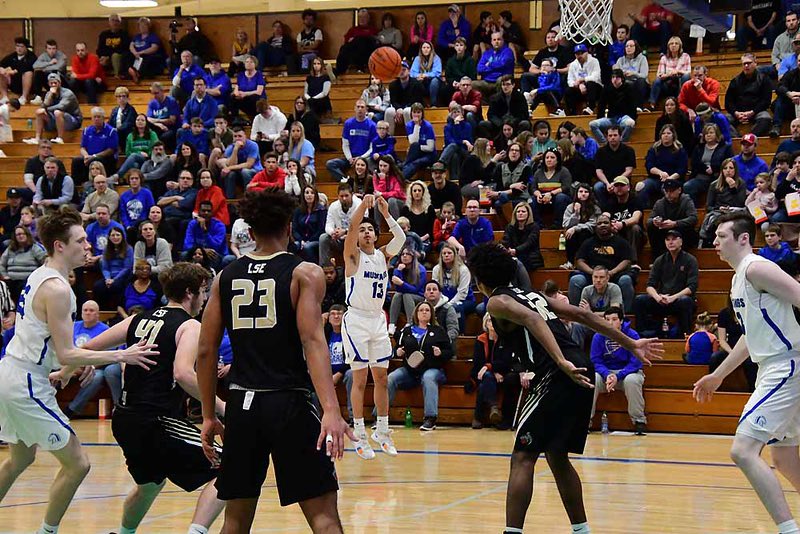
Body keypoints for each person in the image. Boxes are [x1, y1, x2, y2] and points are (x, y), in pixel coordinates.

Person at [467, 241, 660, 534]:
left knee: (522, 456)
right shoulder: (531, 294)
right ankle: (582, 530)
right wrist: (631, 343)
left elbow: (532, 320)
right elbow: (581, 315)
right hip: (581, 367)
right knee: (557, 455)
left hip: (558, 372)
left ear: (479, 278)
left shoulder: (496, 301)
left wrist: (559, 361)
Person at [196, 189, 353, 532]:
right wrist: (330, 408)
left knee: (235, 518)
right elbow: (313, 340)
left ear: (249, 232)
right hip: (289, 402)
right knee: (324, 516)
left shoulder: (225, 277)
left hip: (241, 405)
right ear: (289, 227)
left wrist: (209, 414)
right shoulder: (304, 273)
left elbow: (205, 352)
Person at [0, 207, 157, 534]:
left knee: (20, 459)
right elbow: (66, 351)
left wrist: (67, 370)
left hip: (14, 372)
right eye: (80, 239)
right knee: (78, 464)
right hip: (26, 382)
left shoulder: (39, 273)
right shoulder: (58, 289)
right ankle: (48, 531)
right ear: (59, 245)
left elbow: (56, 349)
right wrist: (121, 355)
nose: (88, 245)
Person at [83, 262, 227, 534]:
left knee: (150, 484)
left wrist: (65, 371)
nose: (205, 298)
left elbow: (89, 347)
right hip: (156, 419)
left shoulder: (138, 318)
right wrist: (220, 407)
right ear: (189, 292)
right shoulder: (189, 326)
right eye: (203, 291)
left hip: (124, 419)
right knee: (231, 467)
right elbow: (183, 373)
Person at [694, 211, 800, 534]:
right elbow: (748, 337)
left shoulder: (757, 267)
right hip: (777, 365)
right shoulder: (739, 277)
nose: (714, 241)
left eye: (721, 235)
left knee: (743, 450)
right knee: (783, 458)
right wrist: (719, 375)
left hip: (786, 364)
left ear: (742, 239)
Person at [388, 300, 453, 431]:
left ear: (431, 313)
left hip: (433, 369)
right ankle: (380, 417)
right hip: (410, 371)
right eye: (421, 310)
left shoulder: (438, 331)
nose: (424, 312)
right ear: (416, 313)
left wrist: (441, 353)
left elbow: (450, 352)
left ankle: (430, 418)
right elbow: (396, 350)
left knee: (429, 378)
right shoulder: (406, 331)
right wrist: (397, 352)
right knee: (390, 378)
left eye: (427, 310)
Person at [589, 306, 647, 434]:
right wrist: (607, 374)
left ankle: (639, 421)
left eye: (614, 319)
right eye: (607, 319)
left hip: (628, 373)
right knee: (592, 378)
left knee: (632, 381)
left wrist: (618, 375)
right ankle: (586, 421)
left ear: (621, 321)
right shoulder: (598, 337)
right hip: (607, 374)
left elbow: (635, 362)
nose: (610, 323)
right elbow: (596, 361)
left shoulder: (632, 335)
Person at [634, 229, 698, 338]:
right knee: (640, 300)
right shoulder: (660, 260)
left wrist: (673, 297)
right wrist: (657, 297)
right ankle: (644, 333)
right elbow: (650, 285)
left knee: (685, 301)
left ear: (681, 242)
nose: (670, 242)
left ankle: (684, 334)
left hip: (679, 299)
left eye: (674, 239)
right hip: (662, 299)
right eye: (668, 240)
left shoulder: (690, 260)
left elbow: (692, 287)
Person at [62, 300, 120, 418]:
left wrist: (85, 367)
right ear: (81, 312)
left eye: (91, 310)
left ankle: (71, 410)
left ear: (98, 314)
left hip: (94, 365)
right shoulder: (73, 327)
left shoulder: (105, 330)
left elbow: (107, 355)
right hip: (72, 363)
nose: (88, 313)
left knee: (97, 376)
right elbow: (64, 348)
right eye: (85, 310)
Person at [569, 214, 636, 312]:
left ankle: (625, 316)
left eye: (606, 222)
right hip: (593, 275)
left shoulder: (621, 242)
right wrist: (594, 273)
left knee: (626, 280)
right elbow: (579, 261)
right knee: (576, 280)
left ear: (611, 225)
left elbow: (627, 260)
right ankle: (576, 313)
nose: (603, 225)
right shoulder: (588, 242)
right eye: (599, 223)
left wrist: (612, 272)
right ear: (595, 227)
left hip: (615, 274)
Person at [470, 314, 517, 429]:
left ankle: (478, 417)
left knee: (485, 383)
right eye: (490, 321)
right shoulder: (481, 339)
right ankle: (493, 407)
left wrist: (491, 368)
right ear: (485, 323)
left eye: (495, 321)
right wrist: (491, 369)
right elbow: (478, 363)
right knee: (486, 377)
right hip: (484, 375)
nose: (492, 323)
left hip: (502, 374)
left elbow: (506, 361)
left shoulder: (505, 339)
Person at [23, 73, 82, 146]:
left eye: (55, 83)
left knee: (57, 112)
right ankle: (37, 138)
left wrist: (46, 109)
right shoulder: (49, 93)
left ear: (59, 83)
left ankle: (60, 138)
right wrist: (50, 96)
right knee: (39, 113)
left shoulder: (68, 93)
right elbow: (42, 107)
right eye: (51, 83)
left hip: (73, 120)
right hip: (56, 119)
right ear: (48, 84)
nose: (53, 85)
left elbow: (61, 106)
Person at [700, 158, 749, 246]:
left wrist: (733, 188)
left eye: (731, 168)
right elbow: (708, 207)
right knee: (715, 222)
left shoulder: (741, 184)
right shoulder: (714, 185)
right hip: (719, 212)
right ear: (722, 170)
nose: (728, 171)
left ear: (735, 170)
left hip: (735, 213)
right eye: (725, 168)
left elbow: (741, 204)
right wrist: (719, 208)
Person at [326, 100, 376, 182]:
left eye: (362, 107)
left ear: (366, 109)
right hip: (350, 159)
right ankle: (347, 181)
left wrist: (360, 158)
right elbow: (345, 144)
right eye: (358, 107)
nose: (360, 109)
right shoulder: (348, 123)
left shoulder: (372, 125)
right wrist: (349, 158)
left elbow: (372, 148)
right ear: (354, 108)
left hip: (365, 158)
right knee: (330, 164)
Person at [726, 53, 774, 137]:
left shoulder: (764, 79)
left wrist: (752, 112)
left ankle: (750, 138)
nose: (746, 65)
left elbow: (766, 101)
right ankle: (737, 138)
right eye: (744, 64)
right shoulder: (735, 81)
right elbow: (728, 102)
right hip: (738, 113)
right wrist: (736, 113)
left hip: (757, 112)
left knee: (766, 119)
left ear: (755, 63)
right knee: (722, 120)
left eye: (749, 63)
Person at [640, 124, 689, 206]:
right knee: (641, 187)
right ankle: (645, 212)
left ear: (673, 135)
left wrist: (670, 178)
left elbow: (682, 169)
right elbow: (649, 166)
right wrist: (660, 173)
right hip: (655, 178)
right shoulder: (654, 149)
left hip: (674, 179)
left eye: (668, 133)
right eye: (663, 133)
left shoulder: (680, 150)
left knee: (668, 189)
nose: (666, 135)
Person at [647, 179, 699, 256]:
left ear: (679, 190)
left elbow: (693, 218)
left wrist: (675, 223)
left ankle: (682, 257)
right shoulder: (660, 203)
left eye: (671, 191)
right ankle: (657, 257)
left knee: (687, 229)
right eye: (666, 191)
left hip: (682, 232)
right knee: (651, 227)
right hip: (664, 232)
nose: (668, 194)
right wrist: (655, 221)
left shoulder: (686, 200)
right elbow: (649, 220)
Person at [72, 107, 119, 185]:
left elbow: (111, 150)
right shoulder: (87, 131)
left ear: (103, 118)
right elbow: (83, 147)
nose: (96, 119)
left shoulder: (111, 131)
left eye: (98, 117)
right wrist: (86, 155)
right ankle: (76, 185)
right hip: (89, 156)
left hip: (105, 158)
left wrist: (94, 156)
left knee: (96, 160)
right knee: (76, 161)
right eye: (94, 117)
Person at [686, 123, 734, 198]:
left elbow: (729, 163)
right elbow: (694, 163)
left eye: (711, 133)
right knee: (688, 186)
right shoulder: (698, 148)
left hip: (719, 177)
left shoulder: (725, 147)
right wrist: (705, 169)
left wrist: (714, 168)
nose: (708, 135)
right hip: (701, 177)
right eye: (706, 133)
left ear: (717, 134)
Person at [319, 183, 363, 265]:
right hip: (339, 239)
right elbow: (328, 225)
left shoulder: (360, 205)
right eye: (341, 196)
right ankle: (326, 268)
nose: (344, 198)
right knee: (323, 238)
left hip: (355, 238)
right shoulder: (333, 206)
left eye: (346, 195)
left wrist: (346, 231)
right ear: (338, 196)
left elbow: (362, 225)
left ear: (352, 194)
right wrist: (333, 232)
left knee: (362, 236)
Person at [590, 69, 637, 144]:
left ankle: (621, 143)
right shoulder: (607, 88)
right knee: (592, 124)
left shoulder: (629, 88)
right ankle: (605, 143)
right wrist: (600, 117)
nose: (615, 79)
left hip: (623, 117)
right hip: (611, 118)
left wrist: (633, 117)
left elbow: (633, 105)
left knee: (631, 122)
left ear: (622, 78)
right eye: (613, 77)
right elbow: (601, 105)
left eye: (617, 77)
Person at [387, 247, 427, 335]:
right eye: (403, 254)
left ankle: (411, 322)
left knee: (407, 295)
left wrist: (402, 283)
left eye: (407, 254)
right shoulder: (399, 268)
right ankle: (392, 324)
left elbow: (416, 289)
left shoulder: (421, 270)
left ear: (413, 257)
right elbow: (398, 289)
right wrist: (399, 271)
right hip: (404, 297)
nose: (404, 256)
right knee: (397, 294)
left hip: (419, 297)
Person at [0, 225, 46, 299]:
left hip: (28, 281)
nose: (20, 236)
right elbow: (1, 264)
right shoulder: (10, 249)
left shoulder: (34, 248)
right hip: (11, 281)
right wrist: (5, 276)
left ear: (27, 235)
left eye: (22, 234)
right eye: (18, 235)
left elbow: (45, 261)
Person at [646, 36, 691, 110]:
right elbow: (659, 75)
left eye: (676, 43)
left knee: (686, 77)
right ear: (668, 46)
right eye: (671, 44)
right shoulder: (664, 58)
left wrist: (677, 71)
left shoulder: (685, 56)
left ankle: (682, 101)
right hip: (667, 83)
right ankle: (652, 104)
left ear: (680, 46)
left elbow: (688, 72)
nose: (673, 45)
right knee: (657, 81)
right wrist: (669, 74)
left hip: (680, 81)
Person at [480, 74, 531, 138]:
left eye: (508, 84)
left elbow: (523, 115)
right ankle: (491, 144)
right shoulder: (495, 98)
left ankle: (519, 142)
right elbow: (491, 115)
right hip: (499, 124)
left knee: (525, 123)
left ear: (513, 85)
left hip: (515, 124)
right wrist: (501, 124)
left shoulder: (520, 97)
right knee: (483, 124)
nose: (505, 87)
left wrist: (511, 124)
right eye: (503, 85)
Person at [217, 127, 263, 198]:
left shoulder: (253, 145)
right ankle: (229, 200)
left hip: (254, 170)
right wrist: (235, 149)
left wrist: (228, 168)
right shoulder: (231, 147)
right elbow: (230, 164)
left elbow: (249, 164)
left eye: (240, 136)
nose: (237, 138)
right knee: (230, 174)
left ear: (245, 136)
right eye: (235, 136)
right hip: (238, 170)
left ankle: (248, 197)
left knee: (245, 172)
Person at [334, 7, 378, 76]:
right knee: (344, 48)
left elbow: (375, 41)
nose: (362, 19)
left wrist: (358, 38)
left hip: (368, 53)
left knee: (361, 40)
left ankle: (361, 67)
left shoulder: (373, 30)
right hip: (354, 52)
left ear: (368, 18)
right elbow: (347, 40)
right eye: (360, 17)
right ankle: (338, 71)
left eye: (364, 17)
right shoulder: (353, 30)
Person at [386, 61, 426, 135]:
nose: (401, 72)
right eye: (399, 70)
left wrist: (402, 109)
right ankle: (388, 138)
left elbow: (416, 100)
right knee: (389, 111)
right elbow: (393, 101)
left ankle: (411, 137)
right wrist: (398, 109)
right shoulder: (392, 85)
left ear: (409, 71)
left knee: (407, 111)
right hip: (399, 108)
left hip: (413, 107)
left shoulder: (417, 84)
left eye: (404, 69)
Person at [474, 32, 515, 99]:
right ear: (491, 42)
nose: (496, 42)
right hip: (487, 81)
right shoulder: (487, 53)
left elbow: (503, 64)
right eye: (494, 40)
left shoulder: (507, 51)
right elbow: (479, 68)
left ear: (503, 41)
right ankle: (484, 104)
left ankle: (499, 103)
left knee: (501, 80)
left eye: (499, 39)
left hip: (500, 80)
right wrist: (494, 67)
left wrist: (489, 65)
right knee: (473, 84)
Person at [123, 17, 165, 83]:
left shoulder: (153, 36)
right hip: (136, 55)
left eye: (144, 25)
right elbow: (131, 46)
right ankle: (131, 71)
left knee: (148, 59)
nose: (142, 27)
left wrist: (141, 53)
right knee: (126, 56)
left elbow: (154, 48)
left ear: (148, 26)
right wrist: (135, 53)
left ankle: (137, 73)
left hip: (147, 55)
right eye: (140, 25)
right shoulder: (137, 36)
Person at [402, 103, 437, 180]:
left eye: (418, 112)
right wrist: (417, 126)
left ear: (422, 113)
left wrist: (419, 147)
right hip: (416, 153)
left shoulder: (428, 126)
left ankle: (401, 178)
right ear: (411, 113)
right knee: (414, 147)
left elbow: (430, 148)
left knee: (415, 162)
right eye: (414, 112)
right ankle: (402, 176)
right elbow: (413, 142)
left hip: (429, 155)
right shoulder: (409, 125)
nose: (416, 114)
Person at [564, 44, 602, 116]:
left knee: (590, 84)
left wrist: (582, 80)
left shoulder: (594, 61)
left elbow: (596, 77)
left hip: (595, 89)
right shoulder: (573, 64)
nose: (580, 56)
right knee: (568, 90)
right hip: (579, 89)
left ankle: (591, 108)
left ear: (587, 53)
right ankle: (572, 112)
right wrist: (578, 85)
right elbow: (570, 80)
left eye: (582, 53)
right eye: (577, 54)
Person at [0, 37, 36, 105]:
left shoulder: (31, 56)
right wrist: (2, 70)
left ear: (26, 48)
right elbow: (2, 64)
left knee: (28, 73)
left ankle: (24, 97)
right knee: (2, 73)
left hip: (28, 85)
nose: (19, 48)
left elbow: (27, 67)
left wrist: (12, 71)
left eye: (21, 46)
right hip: (14, 83)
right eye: (17, 46)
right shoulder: (12, 56)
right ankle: (4, 97)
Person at [229, 55, 265, 121]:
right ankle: (236, 119)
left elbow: (259, 92)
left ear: (255, 64)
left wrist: (245, 94)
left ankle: (255, 119)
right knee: (232, 97)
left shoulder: (259, 75)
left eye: (251, 62)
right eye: (247, 62)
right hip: (243, 97)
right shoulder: (241, 75)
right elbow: (237, 88)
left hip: (255, 98)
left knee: (254, 98)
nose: (248, 64)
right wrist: (237, 94)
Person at [146, 82, 180, 151]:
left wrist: (156, 121)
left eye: (156, 93)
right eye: (153, 93)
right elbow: (148, 118)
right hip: (157, 128)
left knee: (164, 137)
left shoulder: (171, 101)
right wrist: (158, 124)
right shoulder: (152, 103)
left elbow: (171, 121)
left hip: (170, 128)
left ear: (162, 91)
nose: (154, 96)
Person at [96, 13, 129, 78]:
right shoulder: (104, 34)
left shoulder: (124, 34)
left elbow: (124, 49)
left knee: (115, 56)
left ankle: (117, 76)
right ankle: (98, 77)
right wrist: (103, 57)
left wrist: (109, 56)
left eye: (117, 21)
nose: (115, 23)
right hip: (105, 58)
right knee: (95, 58)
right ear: (109, 22)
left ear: (120, 23)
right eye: (113, 20)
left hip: (118, 58)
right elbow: (100, 49)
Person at [410, 41, 443, 106]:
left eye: (428, 47)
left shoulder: (436, 58)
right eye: (424, 47)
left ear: (431, 49)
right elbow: (412, 73)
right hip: (421, 81)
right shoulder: (417, 58)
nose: (426, 49)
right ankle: (419, 105)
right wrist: (418, 76)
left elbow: (437, 72)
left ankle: (433, 104)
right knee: (416, 82)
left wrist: (425, 75)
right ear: (421, 49)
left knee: (435, 81)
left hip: (432, 82)